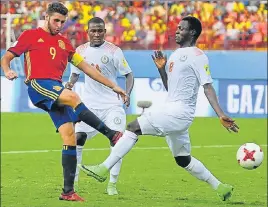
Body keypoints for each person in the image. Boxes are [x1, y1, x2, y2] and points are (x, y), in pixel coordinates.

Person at [78, 16, 240, 201]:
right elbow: (171, 88)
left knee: (132, 128)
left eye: (182, 28)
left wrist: (220, 114)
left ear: (192, 32)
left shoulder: (198, 55)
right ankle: (220, 187)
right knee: (183, 159)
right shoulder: (175, 55)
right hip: (173, 110)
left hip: (179, 113)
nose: (177, 31)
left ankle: (104, 168)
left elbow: (207, 86)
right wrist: (162, 69)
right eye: (177, 28)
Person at [0, 2, 127, 202]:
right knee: (73, 96)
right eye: (56, 20)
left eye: (62, 22)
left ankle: (68, 192)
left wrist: (114, 85)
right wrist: (7, 70)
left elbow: (87, 68)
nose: (59, 25)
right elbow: (6, 57)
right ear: (47, 17)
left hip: (56, 89)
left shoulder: (64, 43)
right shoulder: (30, 36)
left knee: (69, 136)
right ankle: (111, 134)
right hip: (39, 85)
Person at [66, 17, 134, 195]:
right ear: (87, 32)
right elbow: (75, 75)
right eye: (93, 31)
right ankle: (74, 183)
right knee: (77, 139)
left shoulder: (114, 51)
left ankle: (112, 184)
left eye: (100, 31)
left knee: (117, 142)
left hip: (112, 105)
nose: (97, 34)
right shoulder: (80, 51)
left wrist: (128, 93)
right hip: (88, 107)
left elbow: (128, 74)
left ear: (105, 31)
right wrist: (69, 85)